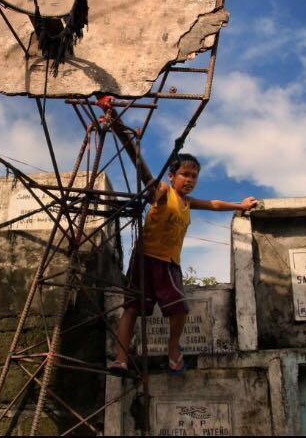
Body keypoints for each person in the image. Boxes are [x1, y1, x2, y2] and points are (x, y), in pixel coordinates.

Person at [110, 153, 258, 375]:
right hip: (144, 259)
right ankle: (120, 360)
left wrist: (241, 205)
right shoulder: (164, 191)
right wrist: (136, 154)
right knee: (132, 309)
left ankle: (173, 350)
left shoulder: (187, 202)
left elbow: (214, 204)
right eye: (185, 174)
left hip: (169, 264)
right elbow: (151, 186)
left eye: (194, 176)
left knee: (179, 309)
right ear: (171, 176)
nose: (190, 180)